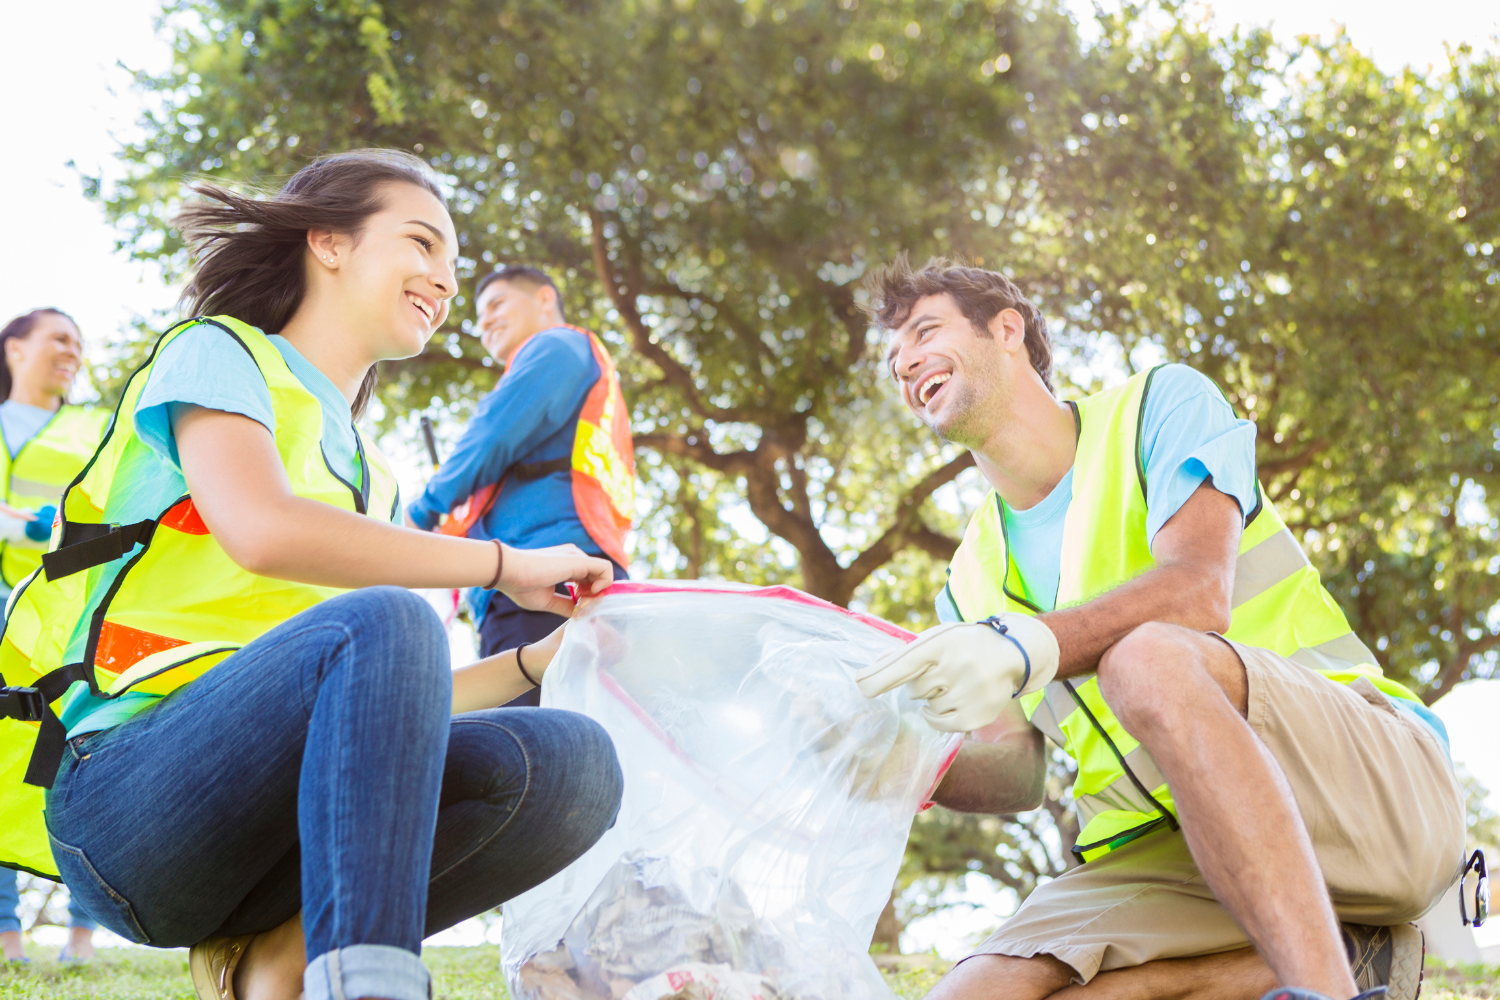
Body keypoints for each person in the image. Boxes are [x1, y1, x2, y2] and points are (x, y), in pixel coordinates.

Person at [0, 149, 623, 1000]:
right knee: (388, 622)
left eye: (453, 263)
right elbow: (260, 530)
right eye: (422, 244)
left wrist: (532, 664)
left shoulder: (375, 476)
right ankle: (367, 983)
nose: (444, 282)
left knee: (573, 763)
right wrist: (507, 565)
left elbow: (380, 709)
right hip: (129, 805)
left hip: (275, 826)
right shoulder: (218, 354)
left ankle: (276, 959)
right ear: (328, 242)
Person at [858, 256, 1465, 1000]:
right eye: (895, 359)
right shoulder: (966, 582)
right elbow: (1016, 773)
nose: (907, 360)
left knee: (1145, 658)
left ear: (1006, 329)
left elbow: (1199, 590)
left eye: (925, 331)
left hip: (1369, 801)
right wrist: (891, 763)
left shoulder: (1159, 405)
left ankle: (1323, 994)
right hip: (1172, 862)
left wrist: (1029, 646)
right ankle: (1351, 962)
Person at [406, 264, 635, 706]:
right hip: (565, 575)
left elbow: (493, 434)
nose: (485, 320)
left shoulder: (558, 345)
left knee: (526, 751)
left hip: (543, 579)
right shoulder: (583, 366)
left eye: (497, 304)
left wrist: (423, 511)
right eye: (479, 314)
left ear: (545, 298)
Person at [0, 309, 110, 593]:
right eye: (60, 339)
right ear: (14, 349)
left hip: (59, 606)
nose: (74, 354)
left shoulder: (104, 428)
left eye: (79, 347)